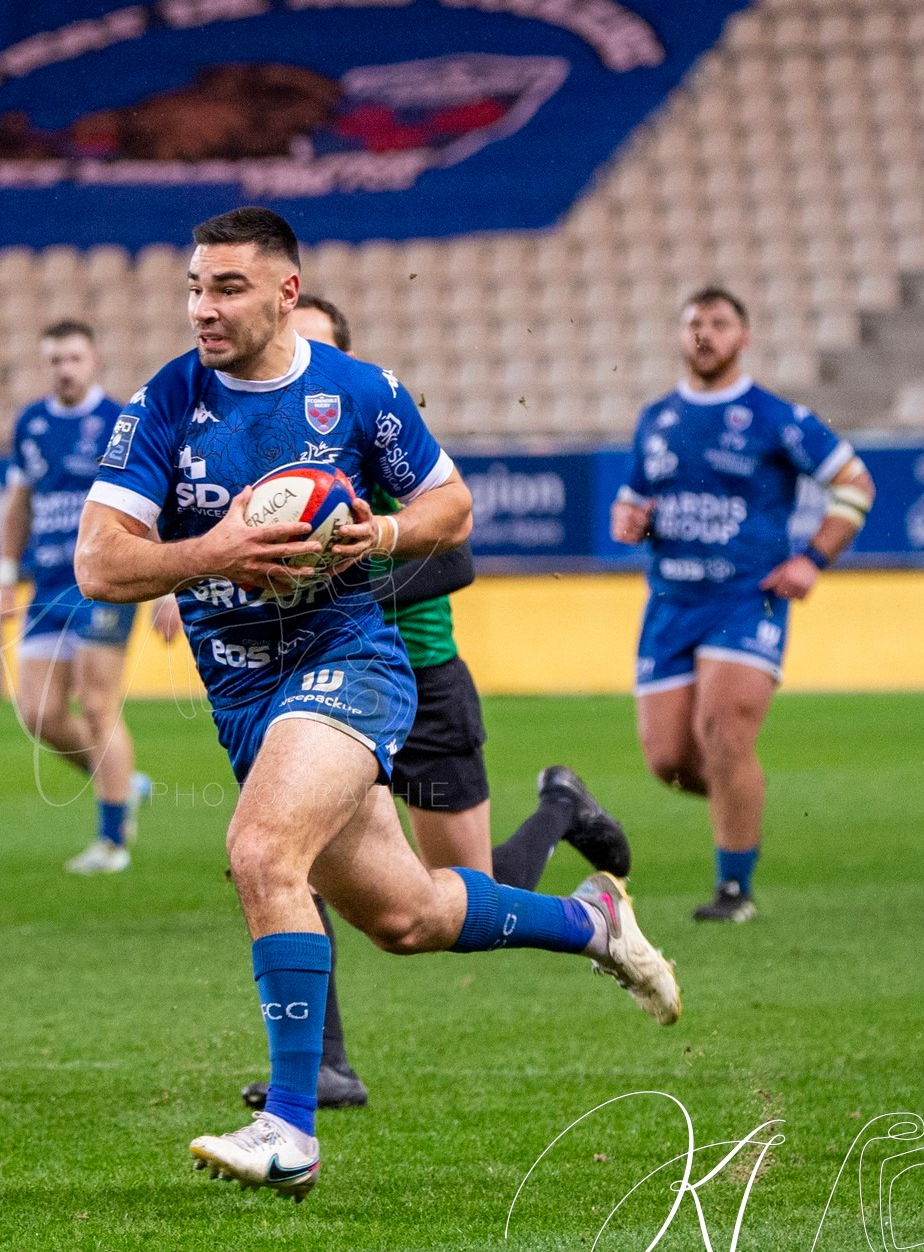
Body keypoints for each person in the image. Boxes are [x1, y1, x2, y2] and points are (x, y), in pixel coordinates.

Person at [75, 207, 681, 1202]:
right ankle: (593, 921)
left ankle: (291, 1127)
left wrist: (381, 538)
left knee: (262, 853)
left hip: (351, 661)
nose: (202, 307)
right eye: (193, 286)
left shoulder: (360, 392)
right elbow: (99, 563)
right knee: (410, 918)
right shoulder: (163, 405)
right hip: (243, 690)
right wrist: (215, 552)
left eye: (226, 287)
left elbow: (451, 507)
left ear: (286, 294)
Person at [236, 294, 633, 1112]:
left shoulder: (375, 443)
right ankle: (325, 1068)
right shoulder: (264, 461)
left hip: (422, 679)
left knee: (466, 892)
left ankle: (560, 806)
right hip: (322, 688)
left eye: (314, 348)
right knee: (290, 854)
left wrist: (340, 575)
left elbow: (455, 561)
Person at [610, 288, 873, 923]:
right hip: (671, 601)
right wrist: (629, 521)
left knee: (724, 732)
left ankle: (734, 890)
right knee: (668, 761)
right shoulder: (657, 419)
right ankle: (741, 799)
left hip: (744, 600)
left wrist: (813, 558)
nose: (705, 334)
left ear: (743, 338)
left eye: (719, 323)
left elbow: (855, 483)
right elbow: (631, 503)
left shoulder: (775, 417)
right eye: (694, 324)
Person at [0, 320, 149, 874]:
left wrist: (173, 584)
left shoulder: (120, 421)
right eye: (55, 360)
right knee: (36, 713)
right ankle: (125, 783)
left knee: (98, 705)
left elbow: (153, 502)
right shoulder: (31, 423)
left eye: (74, 358)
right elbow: (18, 505)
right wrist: (4, 573)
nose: (65, 369)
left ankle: (112, 841)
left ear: (95, 361)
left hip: (106, 580)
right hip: (49, 584)